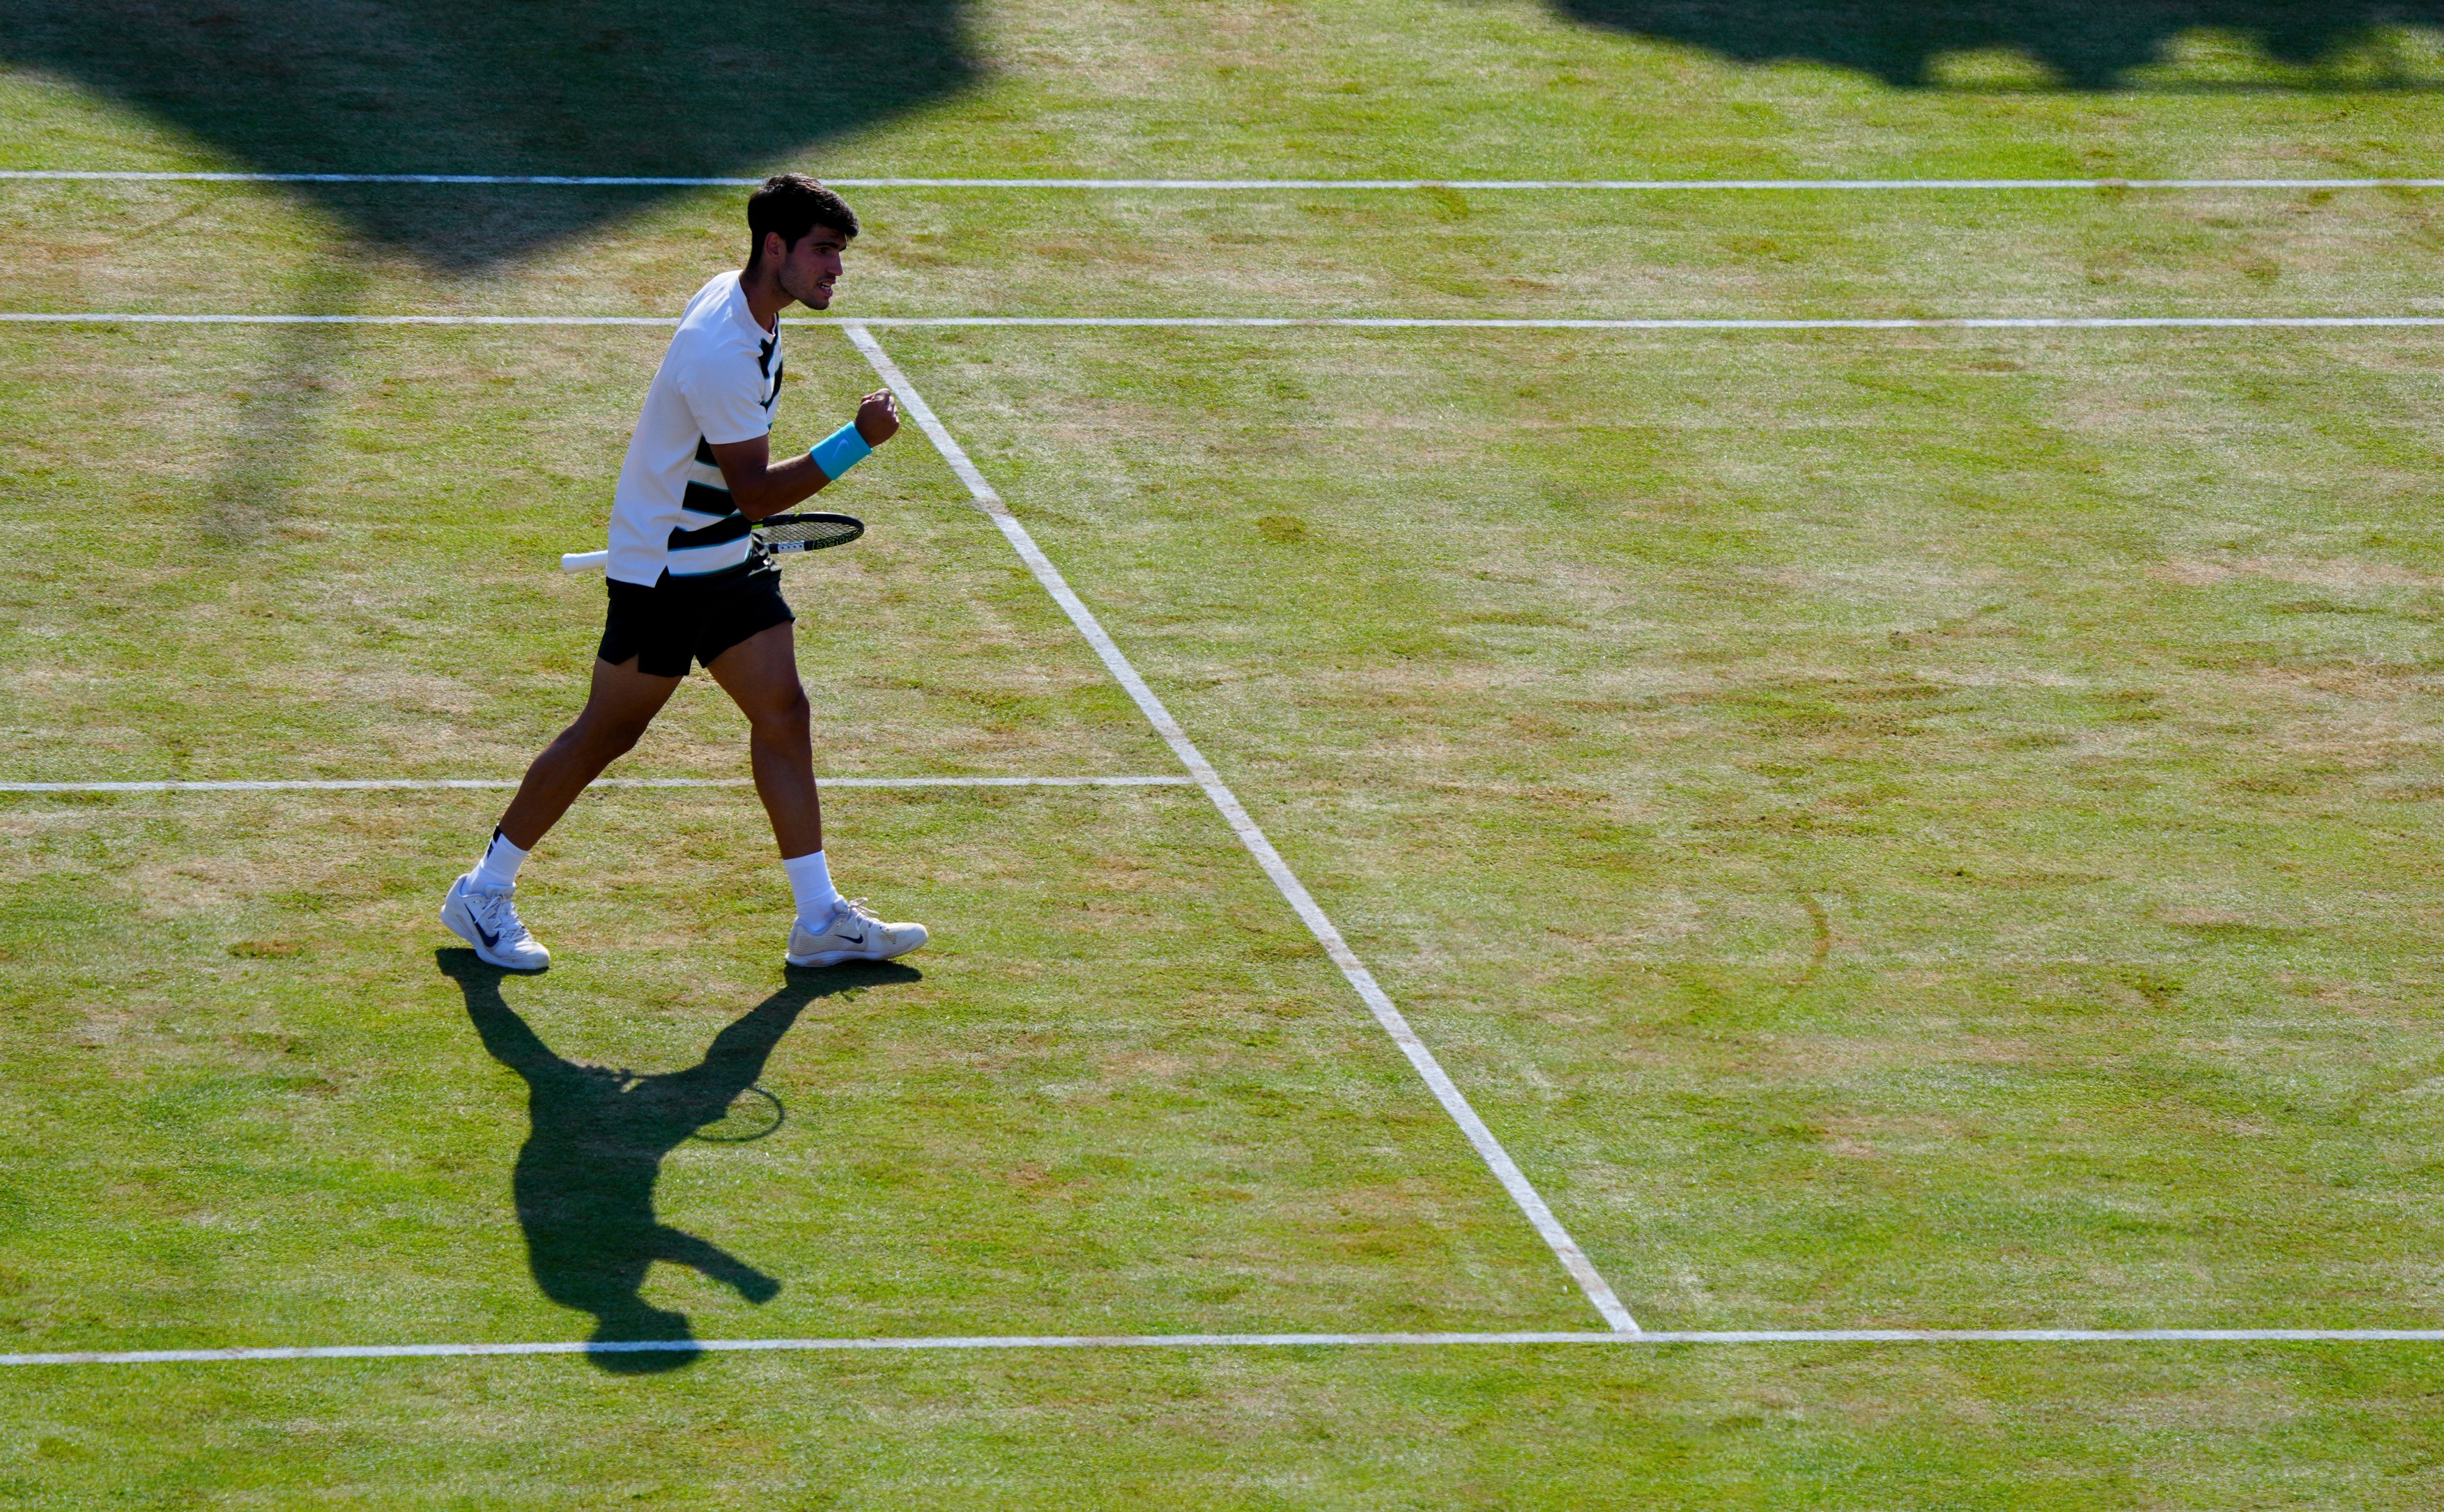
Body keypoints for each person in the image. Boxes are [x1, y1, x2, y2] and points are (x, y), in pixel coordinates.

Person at [441, 173, 927, 973]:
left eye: (838, 254)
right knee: (608, 731)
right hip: (666, 574)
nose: (835, 269)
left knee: (784, 712)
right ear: (776, 248)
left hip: (724, 562)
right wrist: (858, 439)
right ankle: (483, 892)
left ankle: (819, 920)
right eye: (823, 252)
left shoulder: (749, 308)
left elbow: (734, 492)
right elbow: (761, 493)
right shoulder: (723, 350)